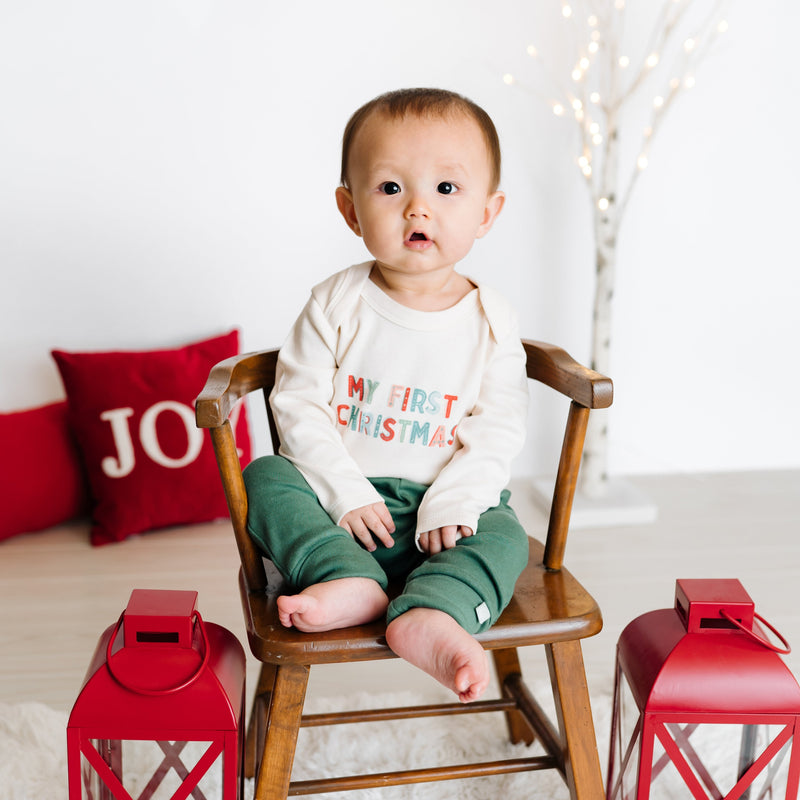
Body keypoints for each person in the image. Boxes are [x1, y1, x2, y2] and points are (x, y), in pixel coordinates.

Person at [243, 88, 530, 703]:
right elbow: (297, 405)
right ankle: (344, 577)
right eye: (391, 188)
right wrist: (344, 495)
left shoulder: (493, 320)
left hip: (446, 517)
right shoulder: (334, 303)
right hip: (340, 512)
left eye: (446, 191)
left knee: (507, 534)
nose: (418, 209)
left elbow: (497, 428)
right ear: (350, 209)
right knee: (264, 475)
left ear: (487, 212)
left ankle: (434, 612)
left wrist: (456, 503)